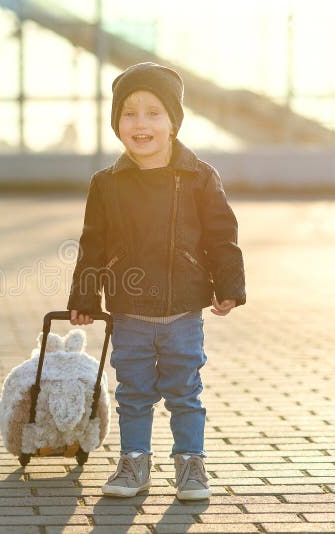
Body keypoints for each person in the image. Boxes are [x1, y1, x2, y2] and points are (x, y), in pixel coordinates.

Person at [67, 62, 246, 500]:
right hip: (129, 310)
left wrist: (229, 287)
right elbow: (93, 243)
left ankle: (191, 465)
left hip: (184, 308)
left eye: (153, 112)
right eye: (129, 113)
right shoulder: (106, 183)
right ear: (117, 124)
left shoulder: (200, 177)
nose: (140, 123)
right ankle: (134, 463)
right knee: (134, 391)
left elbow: (222, 236)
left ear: (172, 122)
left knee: (185, 390)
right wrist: (85, 296)